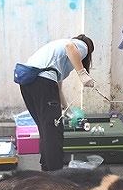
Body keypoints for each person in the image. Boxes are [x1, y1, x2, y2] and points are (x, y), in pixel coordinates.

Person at [17, 34, 95, 171]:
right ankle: (56, 175)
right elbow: (70, 47)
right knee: (53, 131)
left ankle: (47, 168)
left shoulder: (53, 54)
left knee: (45, 128)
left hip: (27, 83)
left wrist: (66, 108)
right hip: (42, 83)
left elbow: (57, 87)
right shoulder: (81, 45)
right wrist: (83, 74)